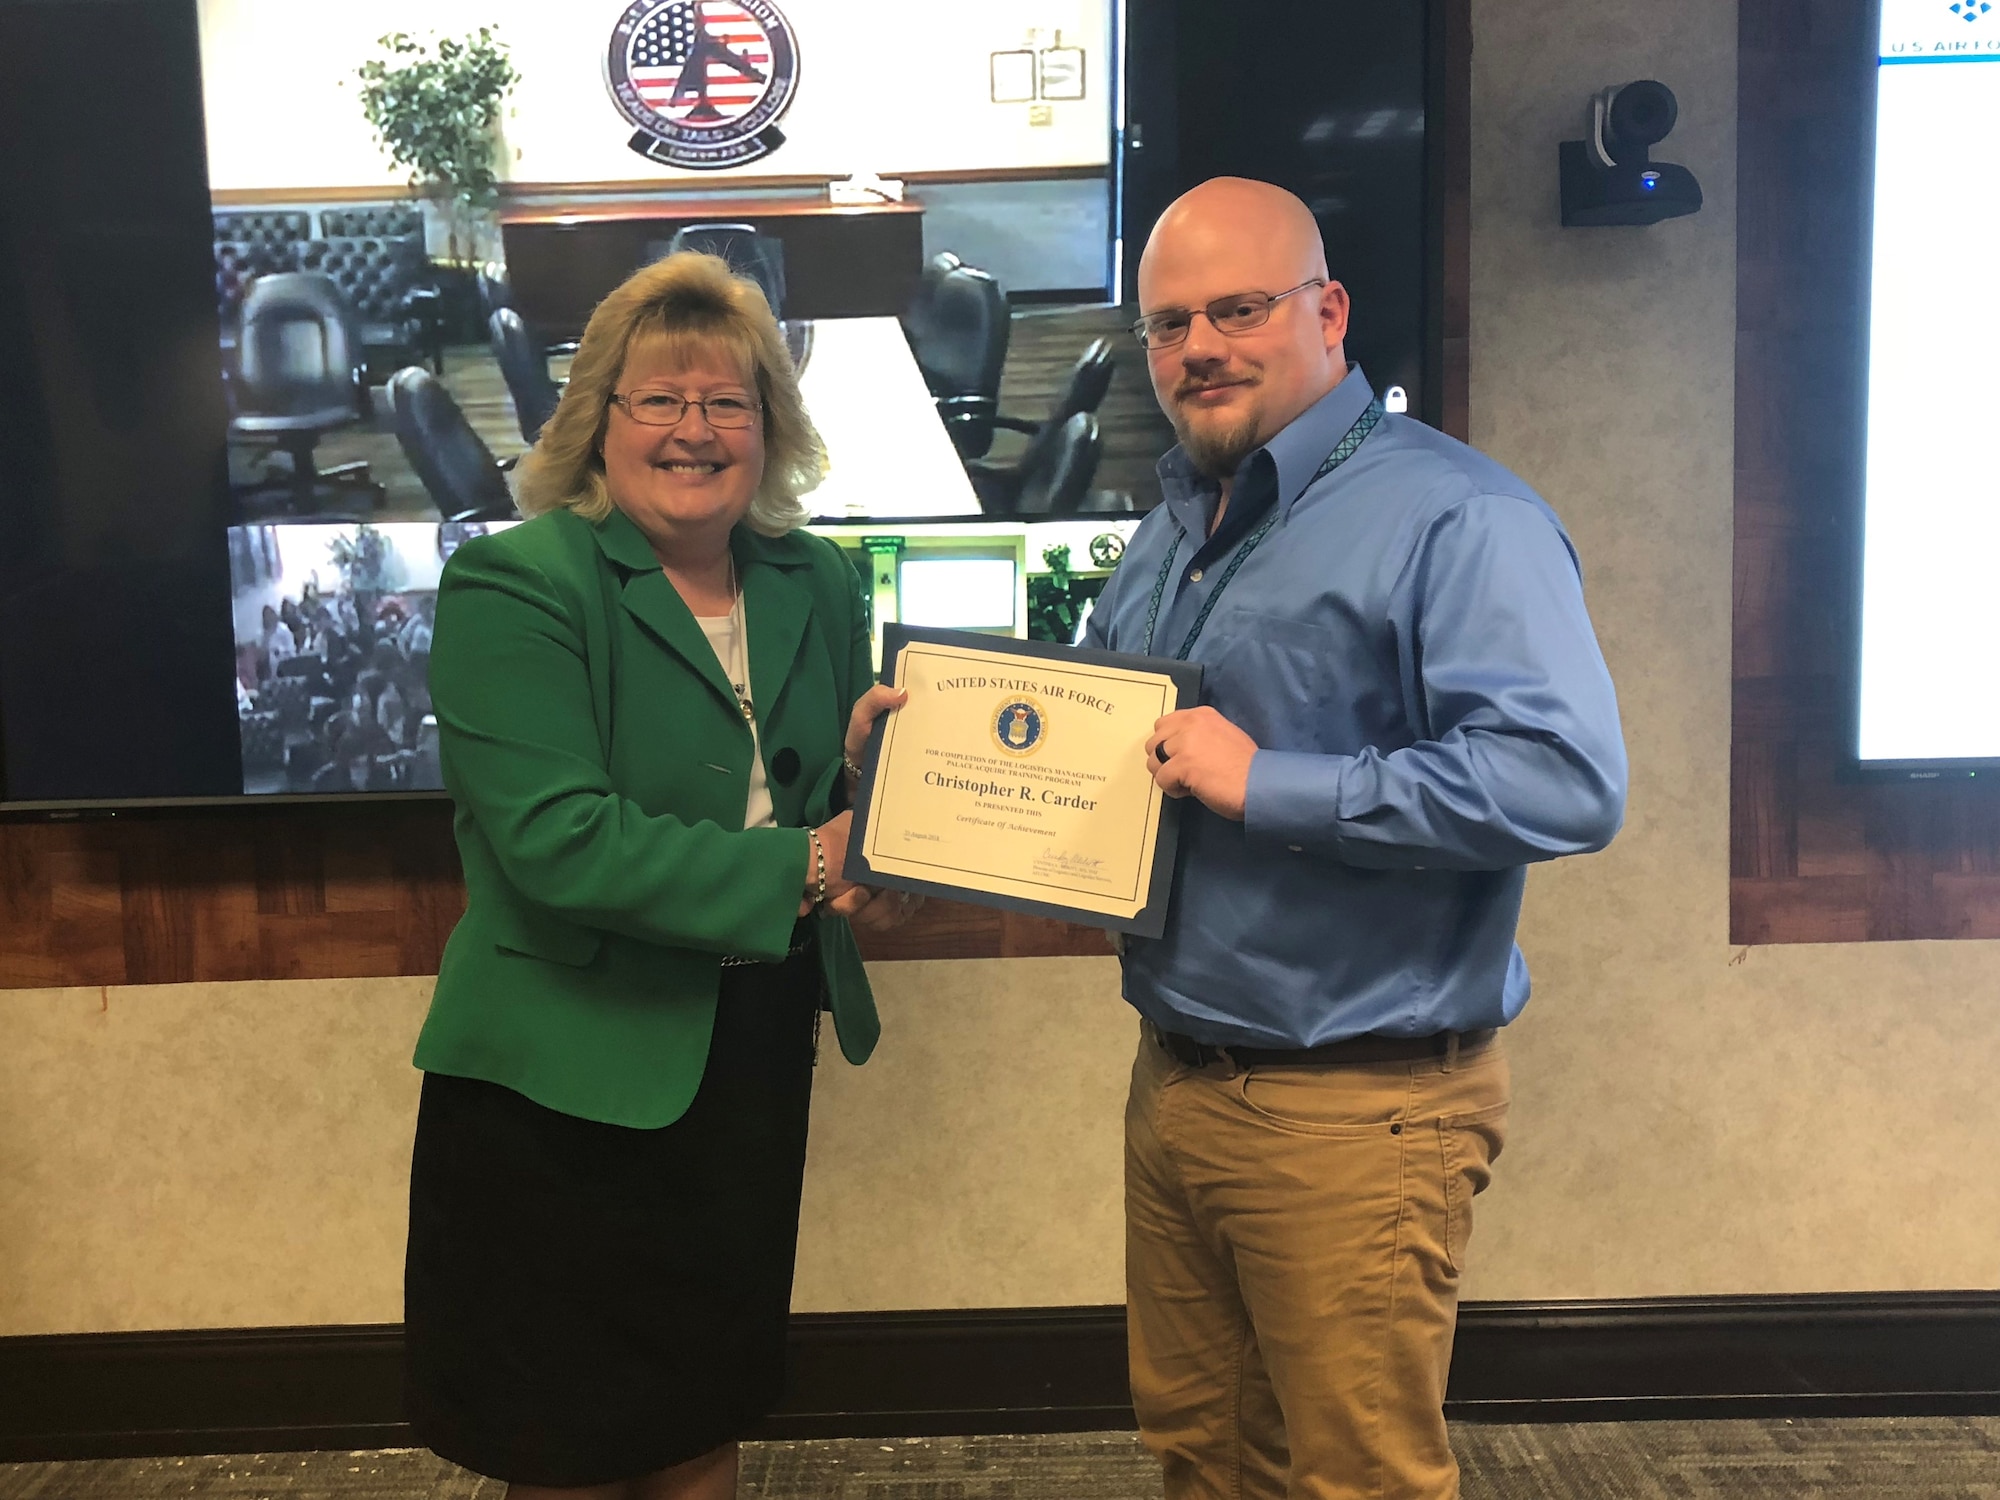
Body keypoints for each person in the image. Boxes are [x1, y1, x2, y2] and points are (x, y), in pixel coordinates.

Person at [1083, 178, 1627, 1499]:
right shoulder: (1175, 527)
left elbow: (1564, 780)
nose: (1198, 346)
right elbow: (1109, 729)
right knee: (1201, 1451)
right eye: (1168, 324)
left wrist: (1275, 784)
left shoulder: (1456, 515)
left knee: (1354, 1478)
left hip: (1359, 1103)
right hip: (1181, 1079)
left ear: (1326, 312)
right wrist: (936, 746)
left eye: (1237, 308)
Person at [403, 251, 919, 1500]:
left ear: (768, 428)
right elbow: (559, 843)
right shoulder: (515, 583)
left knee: (703, 1403)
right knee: (567, 1439)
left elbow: (828, 809)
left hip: (743, 1051)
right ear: (597, 422)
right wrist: (809, 861)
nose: (696, 431)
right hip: (562, 1080)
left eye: (729, 403)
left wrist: (879, 827)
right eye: (659, 401)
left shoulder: (816, 577)